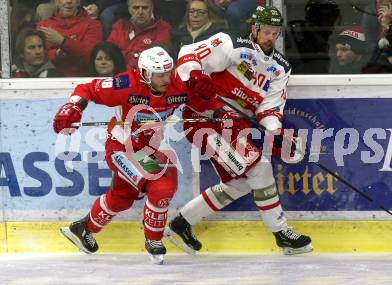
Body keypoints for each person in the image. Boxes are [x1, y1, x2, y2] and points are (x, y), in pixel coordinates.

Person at [166, 6, 313, 255]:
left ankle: (182, 223)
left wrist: (275, 131)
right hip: (205, 119)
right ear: (254, 28)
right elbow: (189, 54)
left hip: (235, 126)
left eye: (275, 32)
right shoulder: (231, 43)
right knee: (260, 168)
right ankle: (281, 233)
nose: (270, 37)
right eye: (266, 30)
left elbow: (269, 107)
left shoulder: (280, 67)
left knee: (241, 183)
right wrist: (195, 77)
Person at [54, 47, 192, 264]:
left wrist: (218, 109)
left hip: (147, 151)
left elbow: (204, 100)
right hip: (121, 148)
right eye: (160, 74)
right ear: (145, 73)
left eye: (169, 72)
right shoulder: (126, 84)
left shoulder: (178, 84)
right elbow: (87, 88)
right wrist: (73, 106)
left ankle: (82, 229)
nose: (167, 78)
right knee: (161, 186)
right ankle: (153, 239)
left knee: (122, 198)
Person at [36, 0, 103, 76]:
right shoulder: (44, 25)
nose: (69, 1)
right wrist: (56, 54)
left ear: (78, 2)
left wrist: (63, 41)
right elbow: (37, 56)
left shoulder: (93, 25)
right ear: (56, 1)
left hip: (83, 78)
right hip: (50, 78)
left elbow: (92, 56)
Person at [107, 0, 172, 69]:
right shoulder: (120, 25)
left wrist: (122, 54)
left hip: (145, 74)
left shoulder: (162, 27)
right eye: (136, 8)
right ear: (129, 9)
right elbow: (109, 52)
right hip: (118, 72)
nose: (140, 12)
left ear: (152, 9)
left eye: (145, 8)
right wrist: (136, 55)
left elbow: (155, 58)